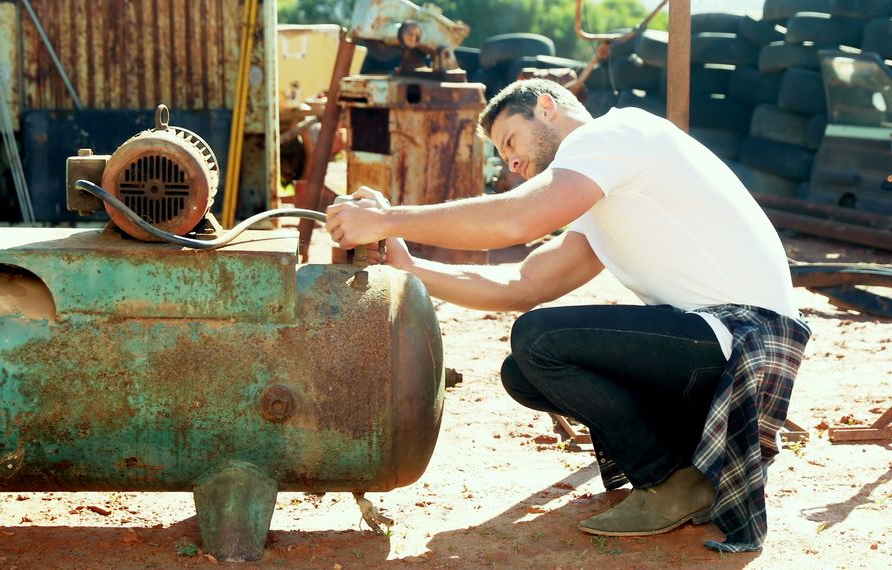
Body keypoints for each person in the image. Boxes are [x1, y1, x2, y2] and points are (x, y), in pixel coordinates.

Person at [325, 78, 811, 553]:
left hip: (748, 337)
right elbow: (525, 285)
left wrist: (388, 219)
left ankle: (671, 482)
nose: (511, 163)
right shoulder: (602, 195)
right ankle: (688, 467)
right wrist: (410, 268)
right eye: (502, 156)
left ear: (546, 107)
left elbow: (518, 218)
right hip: (725, 345)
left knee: (538, 341)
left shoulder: (615, 135)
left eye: (510, 140)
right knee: (524, 372)